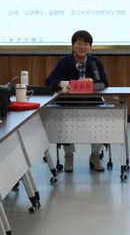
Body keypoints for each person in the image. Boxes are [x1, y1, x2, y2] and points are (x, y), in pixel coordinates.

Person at [46, 30, 110, 172]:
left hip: (92, 102)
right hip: (68, 103)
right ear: (73, 45)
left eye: (86, 44)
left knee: (101, 121)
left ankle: (95, 155)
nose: (82, 47)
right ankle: (69, 155)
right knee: (64, 122)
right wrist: (68, 84)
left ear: (90, 47)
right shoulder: (64, 62)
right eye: (79, 43)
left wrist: (91, 81)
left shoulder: (95, 62)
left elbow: (105, 83)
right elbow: (50, 81)